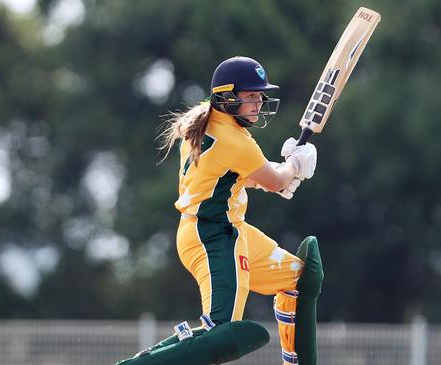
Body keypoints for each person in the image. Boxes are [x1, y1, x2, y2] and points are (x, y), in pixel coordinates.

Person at [117, 56, 324, 365]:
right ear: (228, 96)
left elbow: (230, 178)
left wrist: (280, 173)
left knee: (300, 279)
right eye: (250, 96)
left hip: (230, 229)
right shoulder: (234, 140)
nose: (258, 102)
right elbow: (273, 181)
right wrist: (294, 165)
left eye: (259, 96)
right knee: (220, 331)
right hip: (212, 236)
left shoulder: (206, 118)